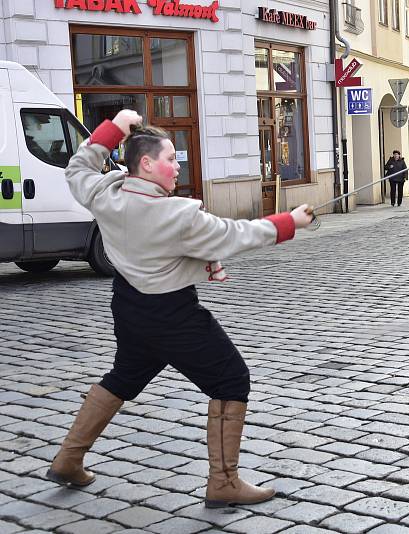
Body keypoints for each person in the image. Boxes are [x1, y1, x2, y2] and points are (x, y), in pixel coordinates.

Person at [45, 110, 313, 509]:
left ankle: (68, 459)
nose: (177, 166)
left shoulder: (104, 192)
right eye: (171, 158)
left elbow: (79, 165)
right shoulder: (177, 214)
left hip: (129, 305)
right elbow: (233, 234)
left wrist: (116, 125)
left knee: (124, 376)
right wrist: (288, 221)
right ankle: (223, 482)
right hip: (172, 314)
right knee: (231, 380)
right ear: (147, 163)